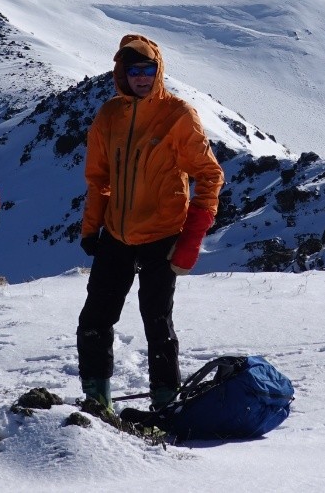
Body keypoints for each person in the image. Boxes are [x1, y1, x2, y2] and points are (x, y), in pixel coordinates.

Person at [76, 35, 224, 415]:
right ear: (121, 73)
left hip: (163, 234)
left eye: (148, 69)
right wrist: (92, 228)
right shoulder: (109, 115)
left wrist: (191, 238)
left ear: (159, 72)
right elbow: (99, 178)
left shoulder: (178, 115)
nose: (141, 77)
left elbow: (210, 175)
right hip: (117, 236)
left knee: (157, 321)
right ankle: (97, 402)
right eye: (133, 70)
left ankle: (165, 404)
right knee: (94, 320)